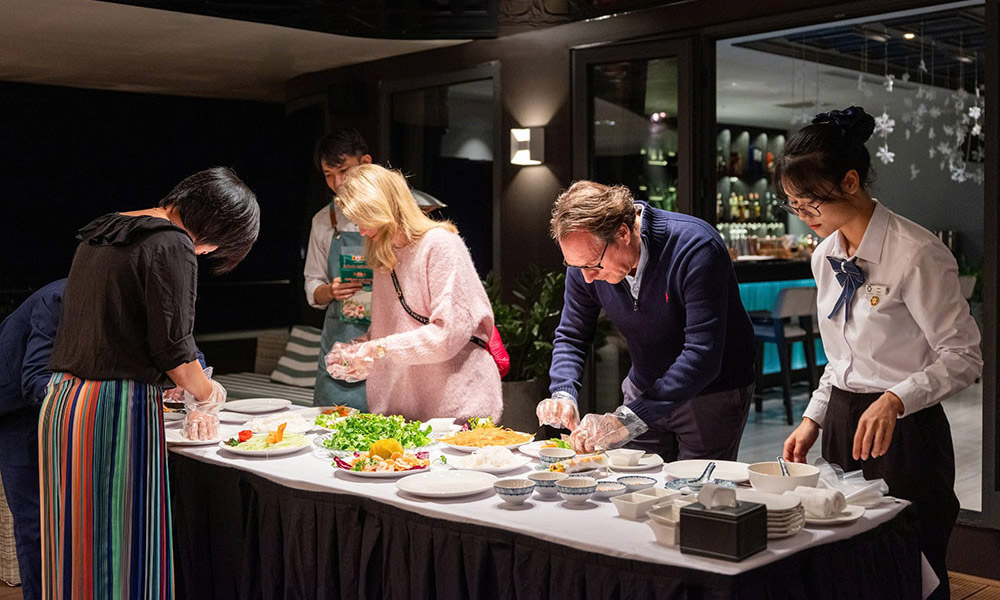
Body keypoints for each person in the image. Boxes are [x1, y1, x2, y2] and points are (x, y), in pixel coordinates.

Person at [780, 106, 982, 600]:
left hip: (906, 429)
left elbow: (964, 355)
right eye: (794, 206)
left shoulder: (916, 252)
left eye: (810, 204)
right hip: (846, 422)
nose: (805, 218)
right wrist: (814, 417)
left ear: (850, 181)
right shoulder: (823, 256)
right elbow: (841, 359)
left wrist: (896, 398)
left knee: (912, 564)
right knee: (844, 559)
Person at [40, 167, 259, 599]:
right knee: (120, 548)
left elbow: (113, 331)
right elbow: (176, 351)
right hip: (112, 408)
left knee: (72, 546)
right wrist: (208, 393)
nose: (206, 254)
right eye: (218, 246)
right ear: (215, 227)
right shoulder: (171, 241)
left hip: (63, 401)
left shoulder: (103, 230)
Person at [0, 280, 207, 600]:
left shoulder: (153, 310)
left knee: (93, 525)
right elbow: (36, 383)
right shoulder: (61, 302)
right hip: (20, 411)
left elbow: (188, 356)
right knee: (39, 525)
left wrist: (192, 388)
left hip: (85, 410)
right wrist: (103, 398)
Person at [536, 181, 756, 460]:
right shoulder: (585, 265)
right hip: (643, 387)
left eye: (592, 265)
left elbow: (702, 354)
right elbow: (572, 334)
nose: (587, 277)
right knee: (633, 488)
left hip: (711, 392)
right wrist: (563, 393)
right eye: (576, 267)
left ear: (623, 233)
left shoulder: (695, 247)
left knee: (695, 494)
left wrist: (628, 418)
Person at [324, 164, 501, 423]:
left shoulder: (441, 245)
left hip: (456, 408)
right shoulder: (384, 257)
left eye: (364, 219)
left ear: (383, 209)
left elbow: (447, 334)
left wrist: (378, 348)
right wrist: (357, 352)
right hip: (402, 411)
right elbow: (389, 334)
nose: (361, 230)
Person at [305, 128, 373, 409]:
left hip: (387, 339)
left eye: (343, 171)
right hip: (341, 342)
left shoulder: (393, 215)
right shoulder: (324, 220)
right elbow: (312, 284)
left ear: (366, 163)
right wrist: (330, 290)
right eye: (328, 175)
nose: (337, 182)